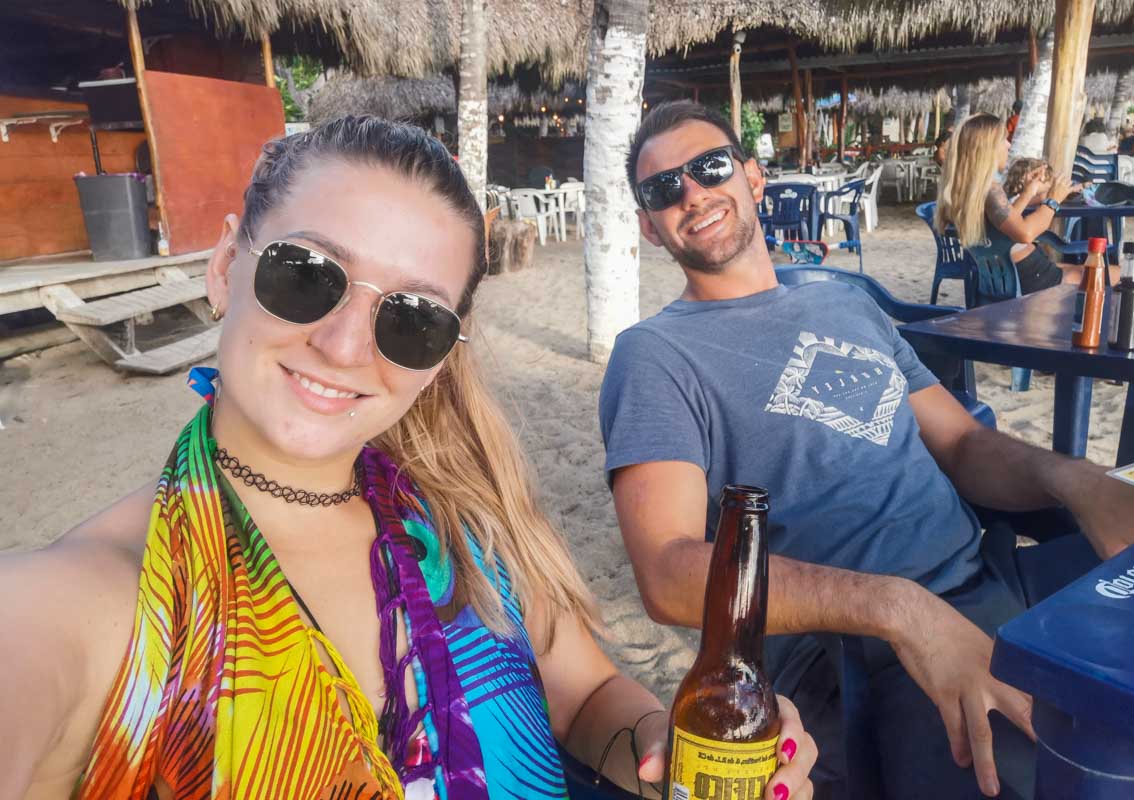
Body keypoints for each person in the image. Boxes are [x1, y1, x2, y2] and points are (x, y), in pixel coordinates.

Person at [0, 117, 818, 800]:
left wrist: (661, 749)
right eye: (306, 274)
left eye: (412, 320)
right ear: (224, 266)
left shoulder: (463, 524)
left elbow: (588, 696)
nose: (345, 345)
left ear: (442, 354)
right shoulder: (89, 603)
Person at [599, 100, 1134, 799]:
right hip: (855, 656)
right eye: (664, 189)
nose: (691, 193)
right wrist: (897, 609)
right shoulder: (655, 355)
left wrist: (1080, 482)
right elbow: (666, 574)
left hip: (995, 587)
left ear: (754, 178)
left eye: (709, 168)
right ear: (647, 226)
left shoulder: (843, 301)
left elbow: (962, 443)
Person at [936, 113, 1134, 293]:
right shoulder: (990, 190)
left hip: (1012, 276)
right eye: (1003, 139)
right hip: (1036, 280)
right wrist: (1053, 200)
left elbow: (1005, 222)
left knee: (1084, 268)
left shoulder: (967, 191)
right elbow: (1025, 233)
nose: (1008, 144)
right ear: (987, 148)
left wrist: (1029, 191)